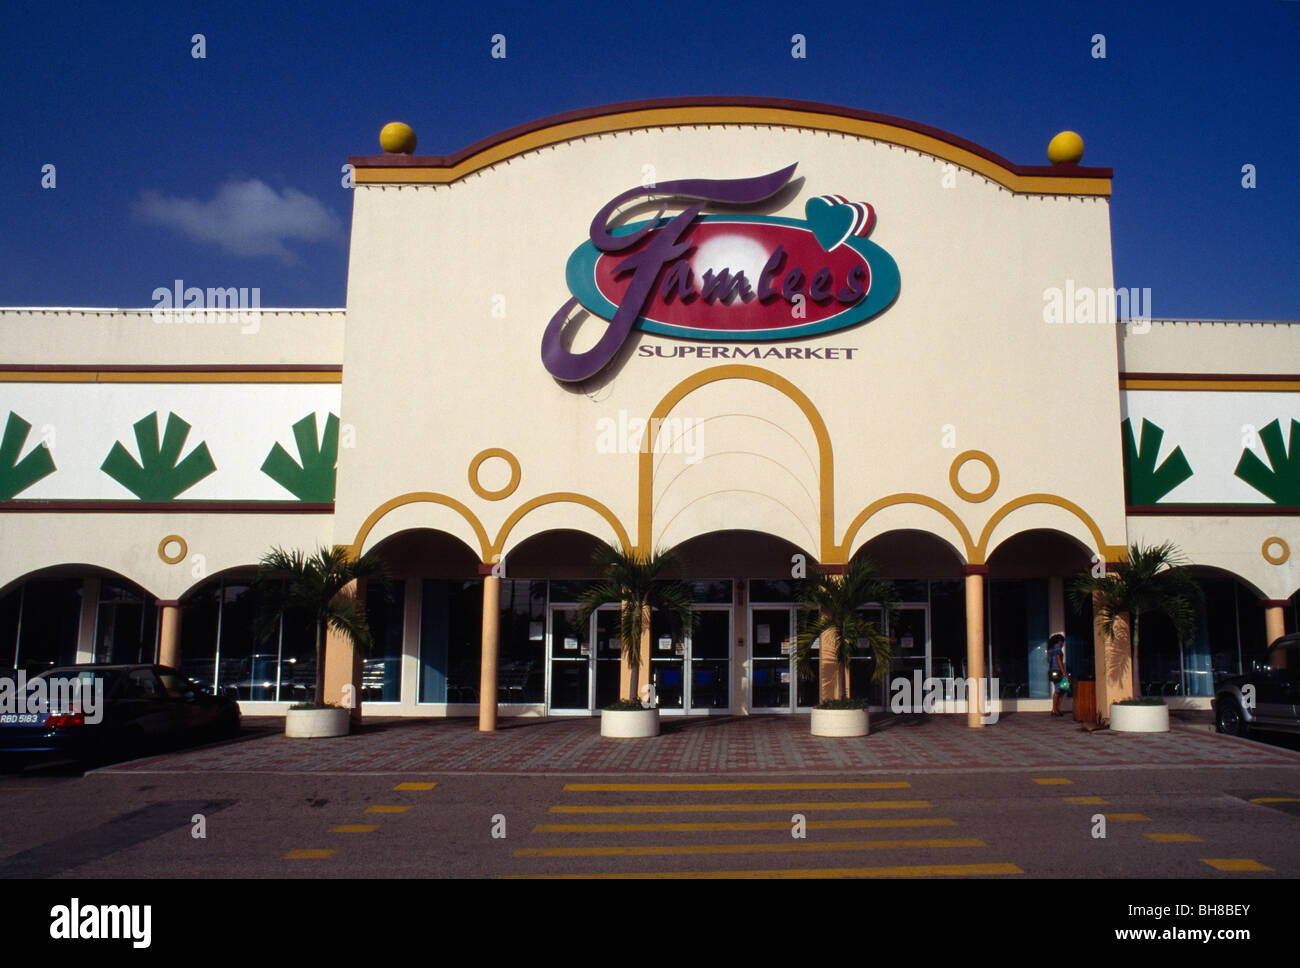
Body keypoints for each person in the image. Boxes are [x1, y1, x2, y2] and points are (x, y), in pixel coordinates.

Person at [1047, 632, 1068, 717]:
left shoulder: (1051, 649)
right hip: (1058, 671)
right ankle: (1055, 709)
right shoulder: (1057, 648)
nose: (1062, 643)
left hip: (1053, 671)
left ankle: (1056, 708)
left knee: (1061, 690)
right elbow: (1058, 659)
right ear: (1059, 641)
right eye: (1062, 641)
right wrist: (1063, 672)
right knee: (1059, 690)